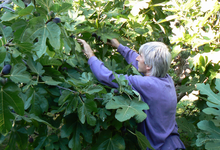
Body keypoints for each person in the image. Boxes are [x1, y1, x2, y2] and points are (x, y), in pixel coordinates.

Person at [77, 38, 186, 150]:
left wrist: (90, 55)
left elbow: (107, 77)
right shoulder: (167, 79)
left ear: (148, 65)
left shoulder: (147, 84)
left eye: (141, 56)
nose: (137, 58)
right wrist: (119, 47)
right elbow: (137, 61)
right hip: (174, 144)